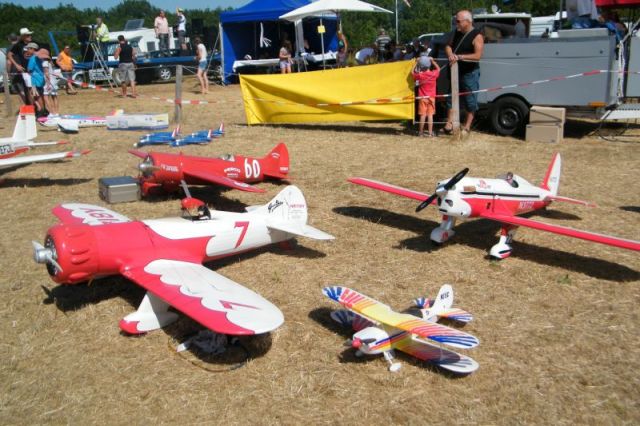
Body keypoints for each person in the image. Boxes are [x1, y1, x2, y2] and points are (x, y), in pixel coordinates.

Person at [443, 10, 484, 137]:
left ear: (467, 21)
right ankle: (450, 122)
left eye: (458, 21)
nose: (456, 23)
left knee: (470, 100)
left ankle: (467, 126)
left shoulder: (477, 35)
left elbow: (477, 56)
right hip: (455, 71)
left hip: (469, 73)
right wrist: (450, 54)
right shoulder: (456, 32)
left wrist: (460, 57)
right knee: (451, 97)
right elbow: (448, 46)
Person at [412, 56, 441, 137]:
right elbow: (439, 69)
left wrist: (416, 62)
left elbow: (412, 72)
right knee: (430, 115)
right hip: (432, 97)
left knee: (422, 115)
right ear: (429, 65)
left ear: (420, 66)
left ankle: (421, 132)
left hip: (422, 98)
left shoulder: (420, 75)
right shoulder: (434, 74)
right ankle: (430, 133)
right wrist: (433, 61)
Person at [7, 28, 34, 105]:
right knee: (28, 90)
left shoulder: (31, 44)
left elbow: (9, 62)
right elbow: (9, 57)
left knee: (24, 91)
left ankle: (29, 107)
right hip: (24, 70)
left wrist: (9, 72)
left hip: (23, 71)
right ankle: (30, 107)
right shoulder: (20, 45)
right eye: (28, 35)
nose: (30, 36)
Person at [26, 43, 46, 116]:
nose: (27, 50)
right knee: (40, 96)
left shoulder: (32, 58)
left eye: (28, 49)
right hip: (41, 79)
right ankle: (42, 110)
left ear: (32, 49)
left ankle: (41, 112)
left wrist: (28, 71)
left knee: (37, 97)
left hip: (35, 80)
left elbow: (29, 69)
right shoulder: (39, 57)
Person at [40, 49, 60, 117]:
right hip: (53, 81)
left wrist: (48, 84)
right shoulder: (49, 63)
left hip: (49, 82)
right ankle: (56, 112)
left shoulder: (44, 63)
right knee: (54, 97)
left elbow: (47, 74)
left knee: (46, 97)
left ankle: (52, 113)